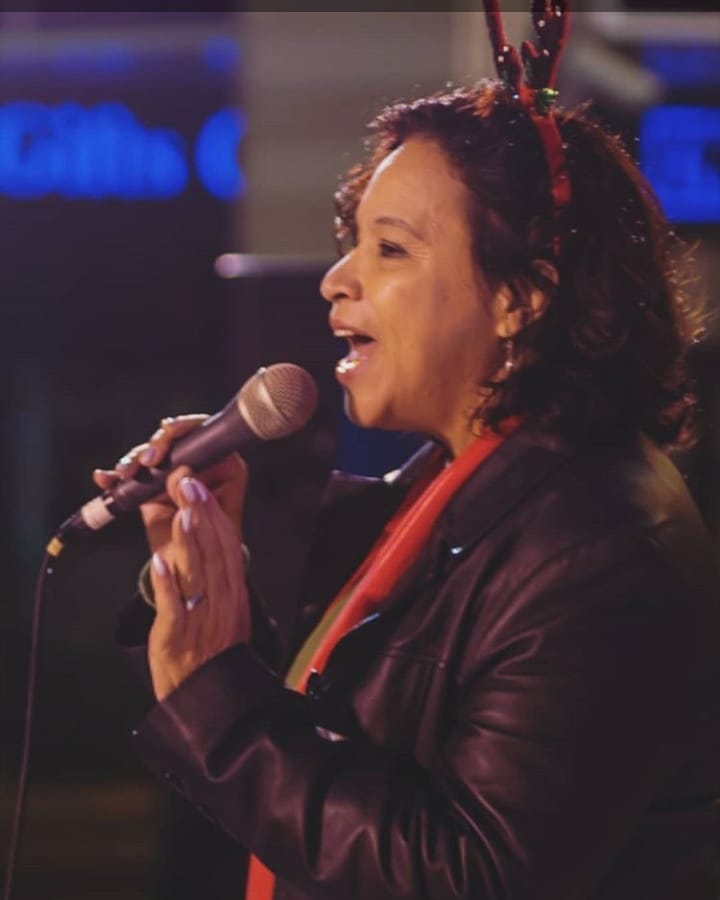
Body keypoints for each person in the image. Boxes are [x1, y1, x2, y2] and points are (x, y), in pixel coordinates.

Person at [94, 9, 720, 898]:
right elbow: (340, 758)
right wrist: (200, 587)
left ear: (521, 297)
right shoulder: (455, 494)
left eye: (390, 249)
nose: (337, 279)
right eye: (353, 241)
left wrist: (218, 701)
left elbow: (468, 876)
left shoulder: (599, 552)